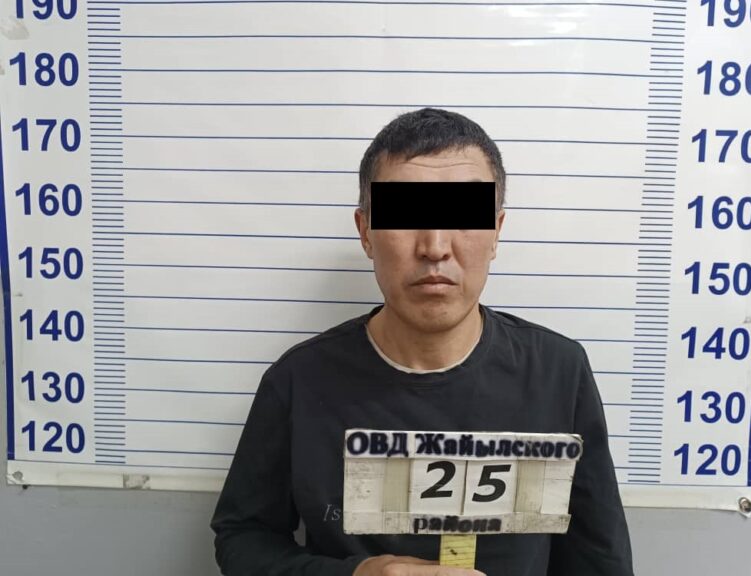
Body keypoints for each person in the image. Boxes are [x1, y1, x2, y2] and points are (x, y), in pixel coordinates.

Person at [210, 107, 634, 576]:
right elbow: (243, 538)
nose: (434, 246)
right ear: (365, 232)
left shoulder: (558, 371)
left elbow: (600, 559)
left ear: (496, 231)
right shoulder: (299, 380)